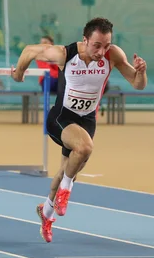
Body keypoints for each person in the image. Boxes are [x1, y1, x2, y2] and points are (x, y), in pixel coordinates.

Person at [11, 17, 147, 243]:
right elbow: (29, 50)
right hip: (61, 117)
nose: (102, 51)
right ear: (85, 40)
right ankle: (65, 192)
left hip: (86, 121)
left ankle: (46, 213)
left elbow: (137, 83)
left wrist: (141, 72)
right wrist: (18, 74)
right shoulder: (65, 54)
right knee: (84, 148)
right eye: (97, 45)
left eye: (106, 45)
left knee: (66, 169)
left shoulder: (113, 55)